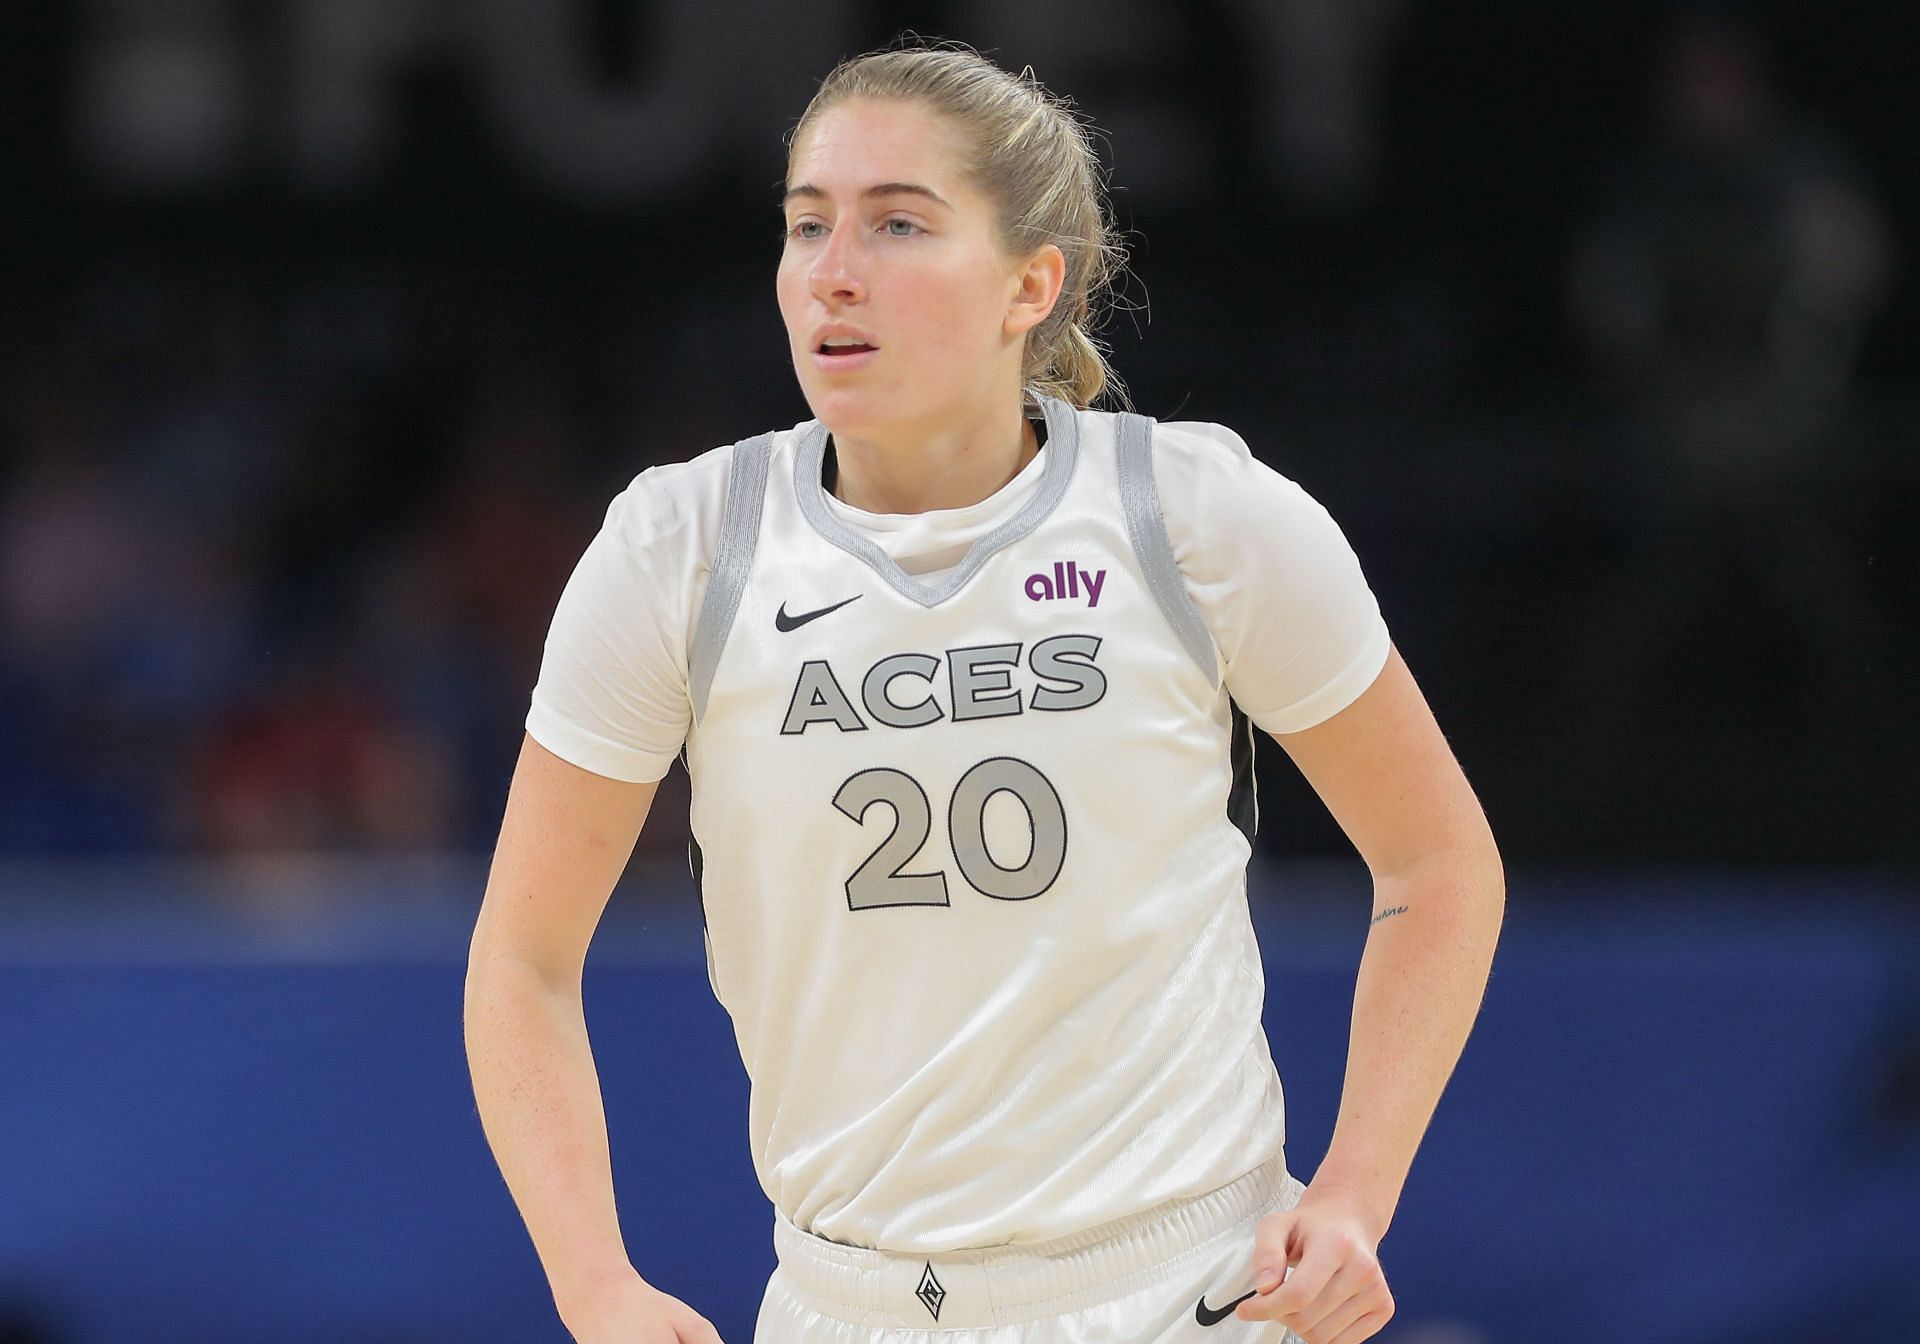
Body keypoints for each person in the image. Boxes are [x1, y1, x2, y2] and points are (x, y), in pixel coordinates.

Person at [464, 43, 1503, 1344]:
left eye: (898, 223)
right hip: (849, 1306)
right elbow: (520, 960)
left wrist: (1354, 1194)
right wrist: (592, 1282)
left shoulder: (1198, 517)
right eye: (807, 225)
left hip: (1199, 1293)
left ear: (1031, 283)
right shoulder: (679, 547)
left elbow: (1438, 859)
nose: (834, 270)